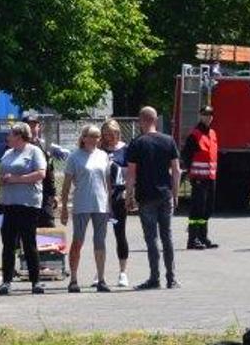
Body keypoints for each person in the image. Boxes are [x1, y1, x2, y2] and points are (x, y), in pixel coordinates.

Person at [125, 106, 182, 289]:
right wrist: (175, 194)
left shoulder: (137, 143)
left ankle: (154, 278)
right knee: (167, 237)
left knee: (151, 239)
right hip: (165, 195)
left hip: (146, 196)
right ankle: (171, 279)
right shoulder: (168, 140)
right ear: (155, 120)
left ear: (140, 121)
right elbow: (176, 170)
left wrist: (129, 195)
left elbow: (131, 173)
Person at [58, 125, 114, 293]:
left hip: (100, 204)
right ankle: (73, 279)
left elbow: (107, 182)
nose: (94, 139)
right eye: (91, 136)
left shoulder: (103, 155)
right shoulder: (74, 157)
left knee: (100, 241)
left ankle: (101, 279)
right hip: (82, 204)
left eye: (97, 137)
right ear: (83, 138)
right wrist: (64, 208)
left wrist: (110, 203)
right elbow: (66, 185)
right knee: (78, 241)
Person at [0, 122, 49, 295]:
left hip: (28, 204)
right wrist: (1, 179)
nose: (8, 137)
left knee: (29, 242)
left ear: (19, 136)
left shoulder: (34, 151)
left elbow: (41, 174)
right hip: (8, 203)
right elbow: (0, 175)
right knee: (8, 244)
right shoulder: (8, 153)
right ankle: (6, 281)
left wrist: (16, 179)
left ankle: (36, 281)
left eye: (10, 134)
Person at [180, 106, 220, 250]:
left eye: (210, 114)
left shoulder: (213, 133)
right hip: (198, 178)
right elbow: (186, 155)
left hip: (210, 177)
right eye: (205, 114)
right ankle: (192, 239)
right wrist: (191, 173)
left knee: (208, 208)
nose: (208, 117)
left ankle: (203, 237)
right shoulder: (194, 135)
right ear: (200, 116)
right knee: (197, 209)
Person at [101, 120, 132, 289]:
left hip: (119, 196)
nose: (109, 138)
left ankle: (123, 272)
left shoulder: (125, 150)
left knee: (120, 233)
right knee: (100, 235)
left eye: (112, 134)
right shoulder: (99, 150)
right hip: (101, 197)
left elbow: (131, 172)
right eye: (106, 134)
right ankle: (100, 272)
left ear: (118, 133)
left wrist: (129, 192)